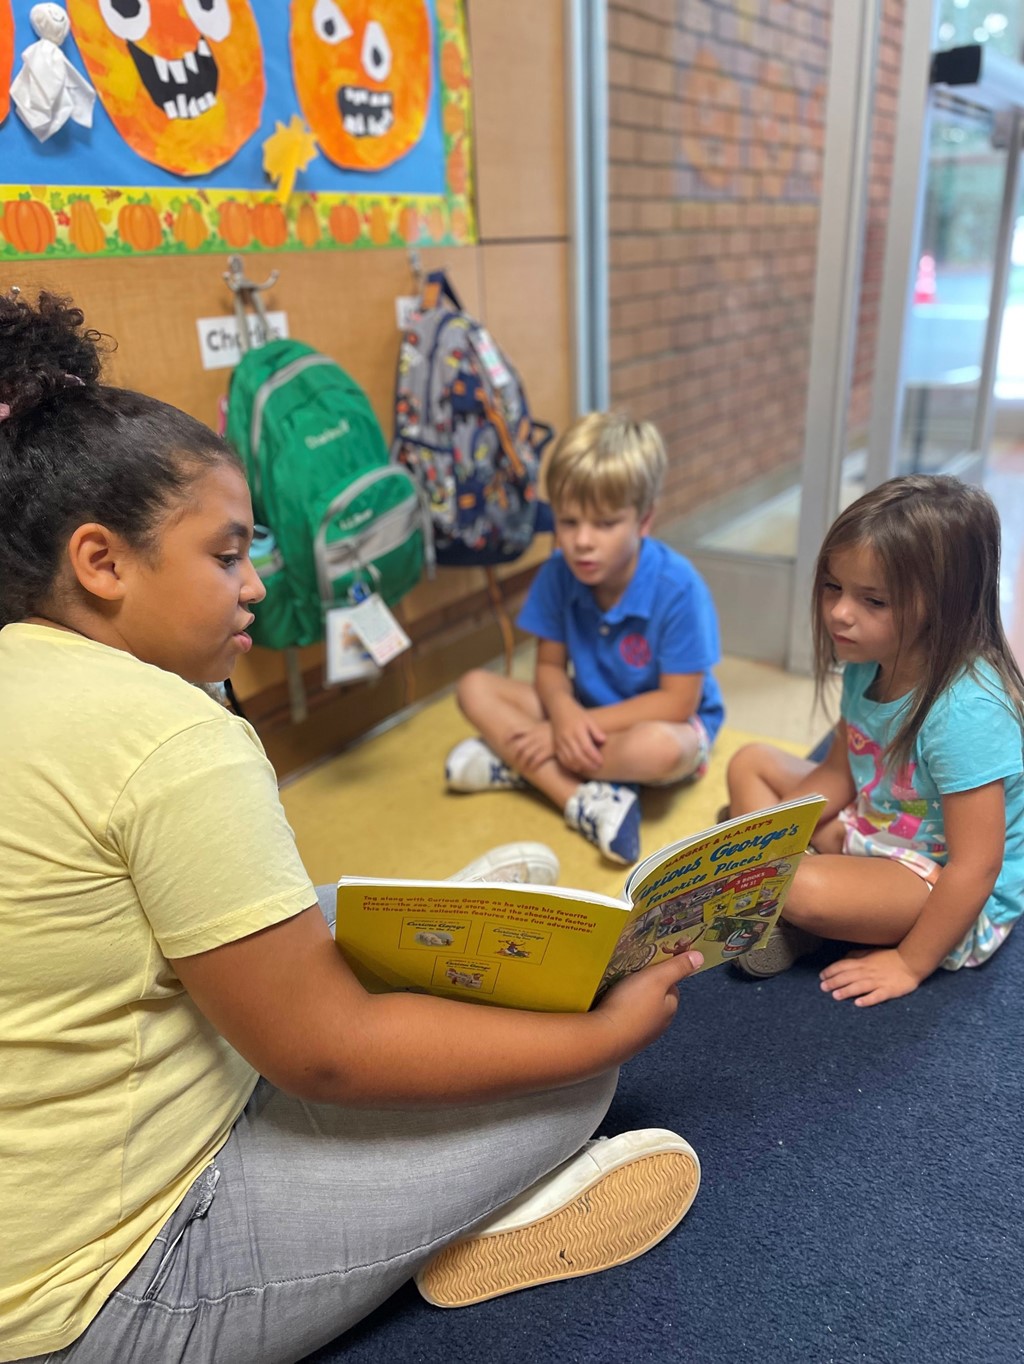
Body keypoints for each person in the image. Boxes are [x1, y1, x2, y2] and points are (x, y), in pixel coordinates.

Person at [0, 292, 706, 1364]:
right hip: (100, 1292)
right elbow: (326, 1053)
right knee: (571, 1079)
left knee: (325, 916)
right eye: (229, 553)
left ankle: (442, 932)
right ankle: (480, 1211)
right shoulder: (172, 735)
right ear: (101, 561)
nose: (256, 583)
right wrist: (602, 1035)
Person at [725, 474, 1024, 1008]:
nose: (841, 612)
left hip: (940, 880)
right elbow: (840, 775)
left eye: (873, 600)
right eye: (833, 587)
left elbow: (977, 867)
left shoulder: (967, 714)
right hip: (875, 825)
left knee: (802, 887)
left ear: (944, 604)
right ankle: (780, 895)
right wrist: (771, 835)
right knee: (749, 762)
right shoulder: (868, 664)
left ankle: (785, 904)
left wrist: (910, 962)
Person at [445, 412, 725, 865]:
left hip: (664, 724)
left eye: (605, 523)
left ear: (644, 520)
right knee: (474, 687)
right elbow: (550, 669)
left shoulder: (679, 587)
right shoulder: (558, 573)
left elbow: (677, 704)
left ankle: (518, 764)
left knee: (657, 750)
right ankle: (580, 799)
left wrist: (557, 734)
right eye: (569, 522)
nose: (582, 542)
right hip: (583, 711)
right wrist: (563, 714)